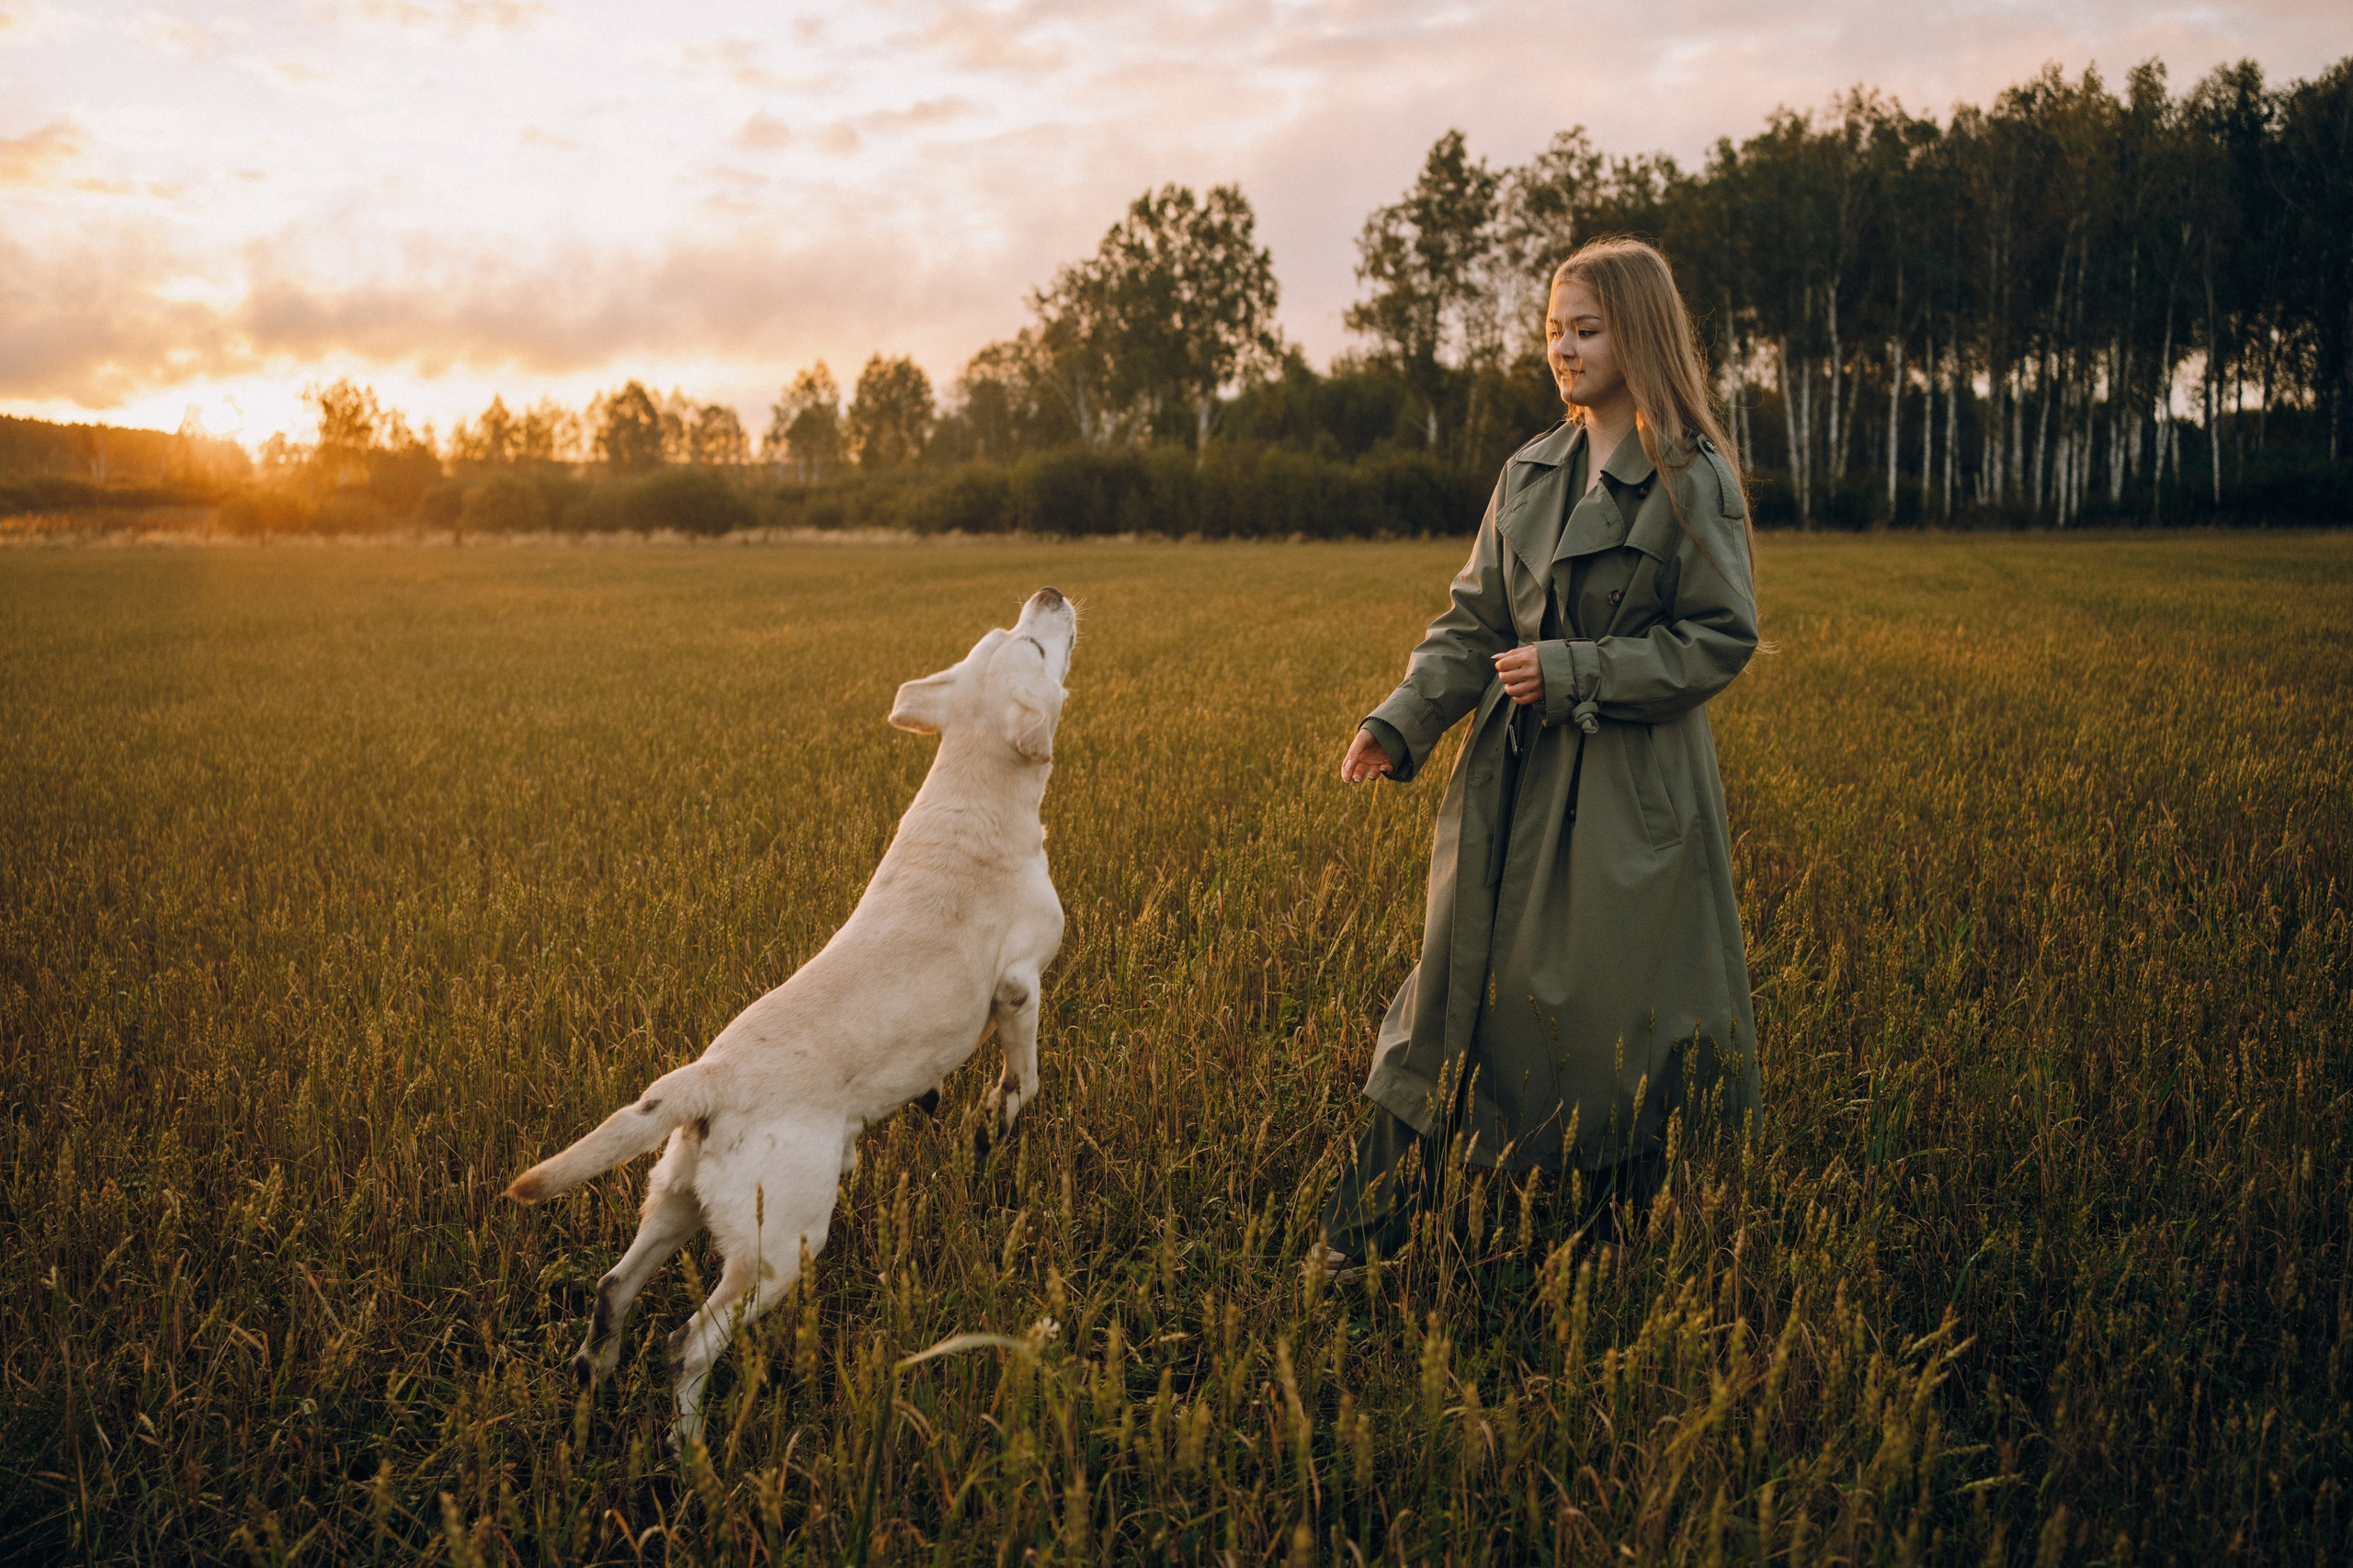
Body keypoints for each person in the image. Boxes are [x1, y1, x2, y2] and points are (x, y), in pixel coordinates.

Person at [1316, 237, 1764, 1273]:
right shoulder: (1528, 470)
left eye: (1586, 329)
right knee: (1441, 996)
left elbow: (1720, 637)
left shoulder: (1690, 476)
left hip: (1625, 793)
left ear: (1637, 334)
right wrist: (1400, 720)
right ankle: (1362, 1236)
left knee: (1607, 1015)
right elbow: (1472, 620)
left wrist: (1576, 669)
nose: (1562, 348)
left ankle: (1609, 1246)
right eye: (1554, 329)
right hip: (1505, 782)